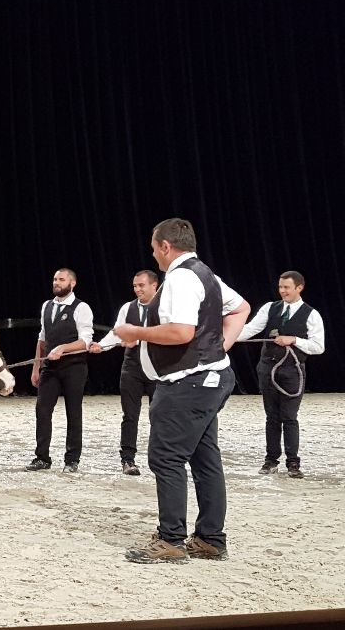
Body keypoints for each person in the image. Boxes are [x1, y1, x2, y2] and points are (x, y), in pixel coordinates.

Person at [118, 218, 250, 564]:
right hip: (210, 378)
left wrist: (135, 332)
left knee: (166, 457)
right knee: (205, 459)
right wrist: (219, 347)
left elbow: (180, 332)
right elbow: (240, 308)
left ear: (165, 246)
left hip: (188, 382)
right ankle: (210, 538)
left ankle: (171, 540)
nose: (153, 254)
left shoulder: (178, 278)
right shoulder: (205, 273)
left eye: (153, 247)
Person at [236, 271, 325, 479]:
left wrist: (294, 339)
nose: (282, 291)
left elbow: (319, 346)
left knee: (289, 417)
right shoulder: (270, 308)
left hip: (292, 371)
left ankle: (293, 462)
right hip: (268, 368)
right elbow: (250, 329)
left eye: (286, 287)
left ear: (299, 288)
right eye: (280, 287)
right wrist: (225, 339)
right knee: (272, 417)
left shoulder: (311, 314)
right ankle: (271, 460)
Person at [89, 270, 160, 475]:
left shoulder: (165, 307)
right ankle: (128, 460)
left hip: (158, 368)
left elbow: (170, 333)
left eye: (142, 285)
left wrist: (138, 339)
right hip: (133, 367)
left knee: (160, 416)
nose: (137, 289)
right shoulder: (127, 308)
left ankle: (160, 459)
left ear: (154, 285)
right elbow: (116, 332)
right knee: (130, 415)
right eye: (135, 286)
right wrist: (101, 346)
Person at [26, 268, 93, 473]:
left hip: (74, 368)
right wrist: (36, 367)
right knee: (42, 410)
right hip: (49, 368)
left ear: (72, 283)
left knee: (73, 412)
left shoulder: (81, 308)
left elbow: (86, 341)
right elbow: (42, 338)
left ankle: (72, 459)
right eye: (55, 279)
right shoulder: (47, 306)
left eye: (61, 280)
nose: (56, 283)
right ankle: (42, 457)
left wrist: (64, 348)